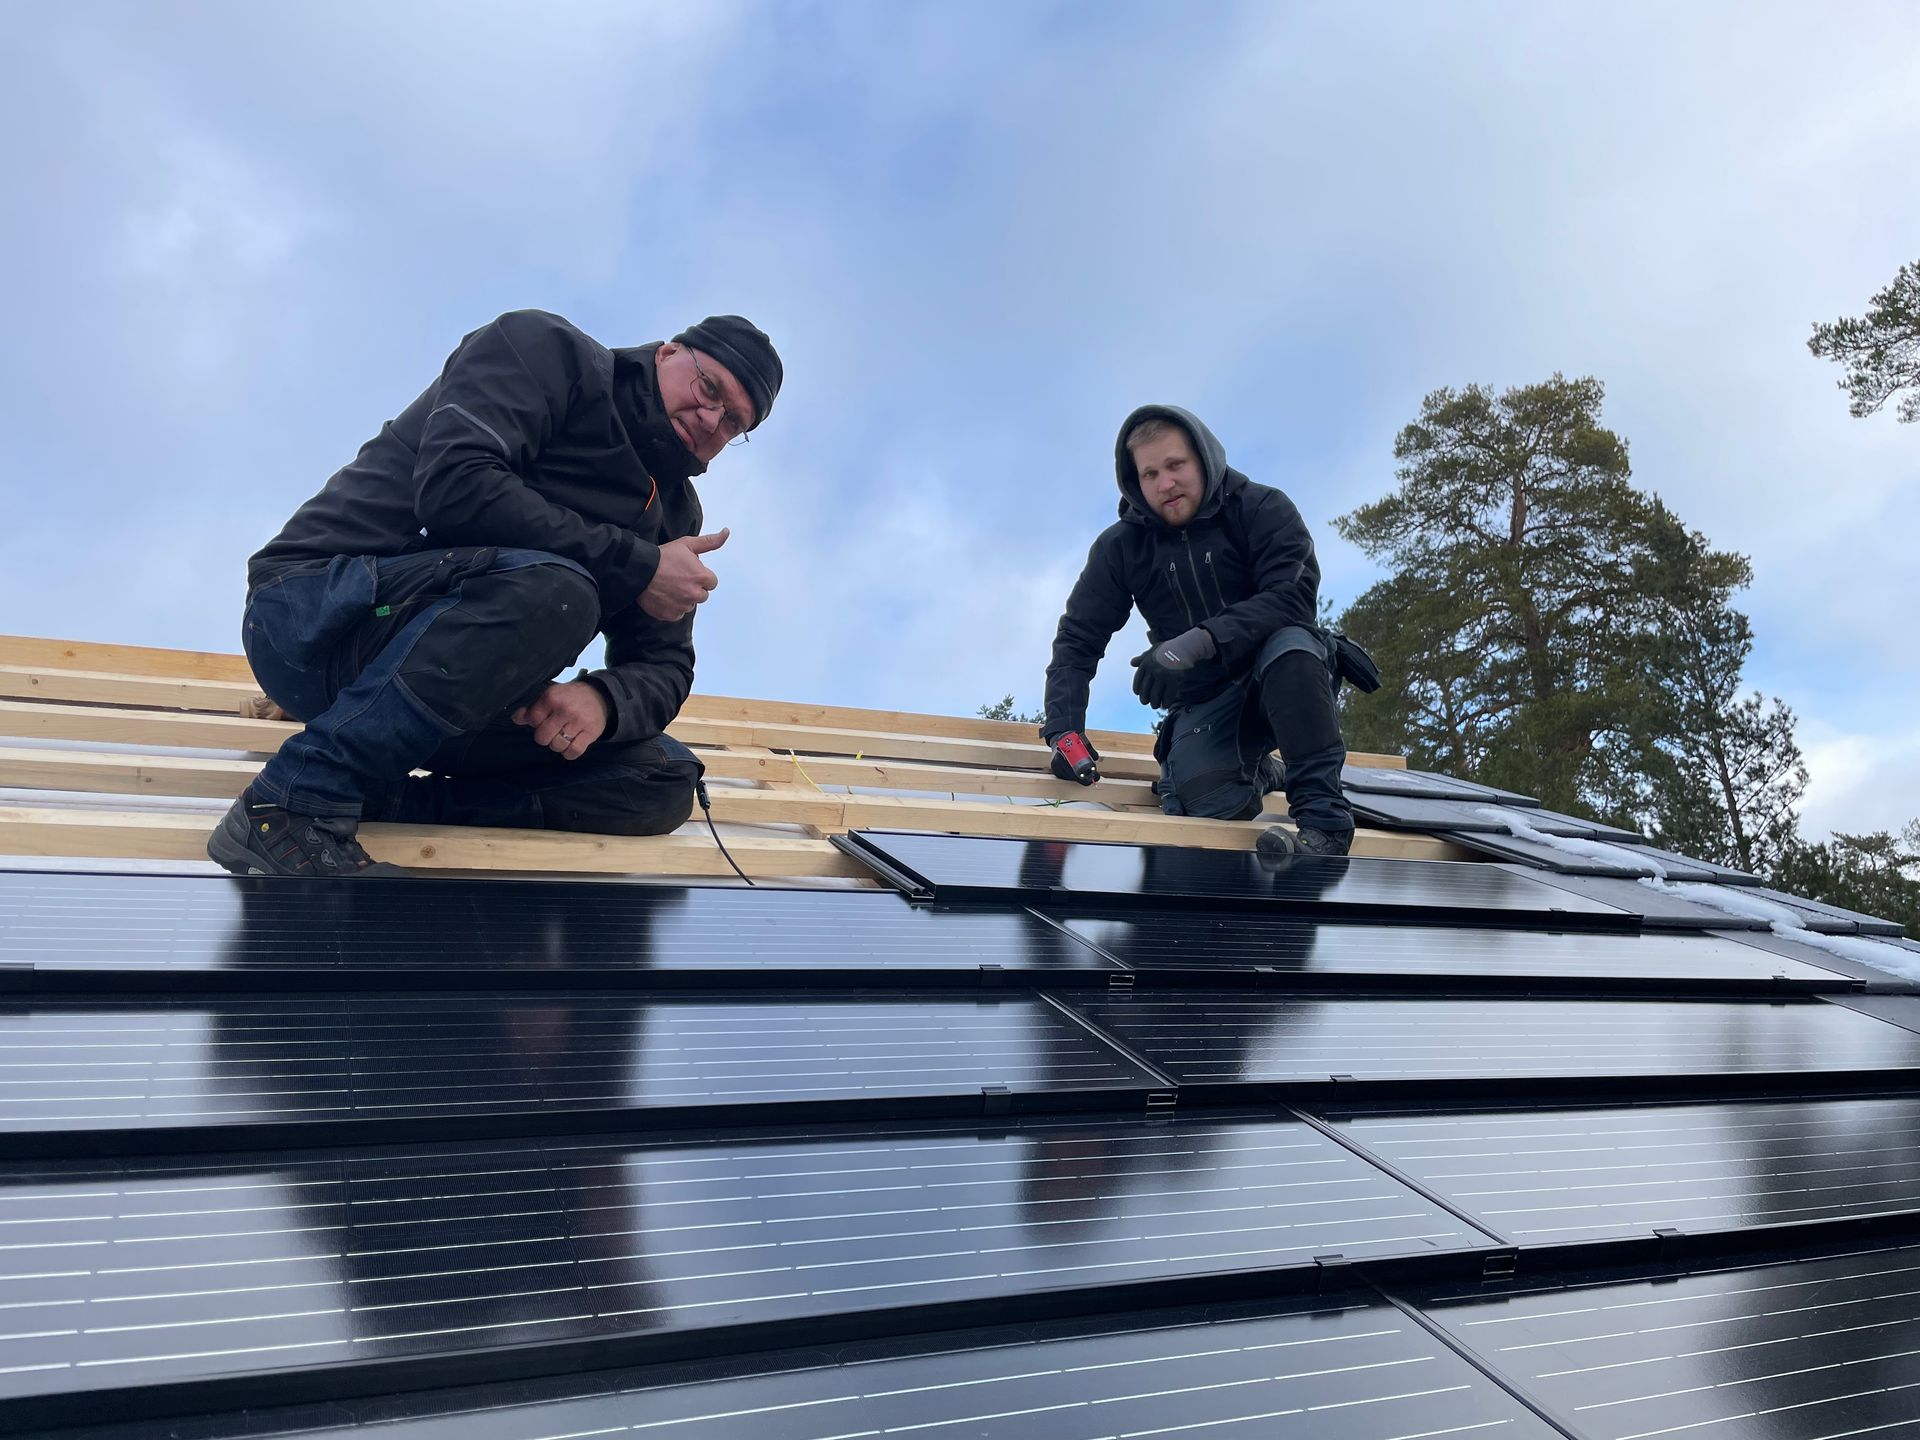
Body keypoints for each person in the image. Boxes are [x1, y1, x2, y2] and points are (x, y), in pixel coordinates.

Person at [208, 309, 782, 879]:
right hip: (316, 617)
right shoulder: (547, 353)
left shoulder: (673, 513)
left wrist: (605, 702)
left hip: (443, 693)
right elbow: (457, 485)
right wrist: (636, 564)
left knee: (662, 775)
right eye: (709, 389)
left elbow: (664, 663)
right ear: (667, 352)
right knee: (561, 592)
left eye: (733, 423)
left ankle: (389, 806)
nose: (711, 419)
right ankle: (289, 803)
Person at [1039, 405, 1369, 859]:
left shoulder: (1261, 508)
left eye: (1175, 465)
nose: (1165, 483)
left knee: (1292, 646)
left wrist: (1197, 642)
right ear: (1135, 481)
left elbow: (1293, 597)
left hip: (1282, 678)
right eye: (1150, 473)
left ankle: (1324, 823)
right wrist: (1064, 730)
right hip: (1207, 700)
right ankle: (1266, 771)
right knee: (1209, 805)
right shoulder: (1122, 548)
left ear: (1204, 458)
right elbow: (1078, 639)